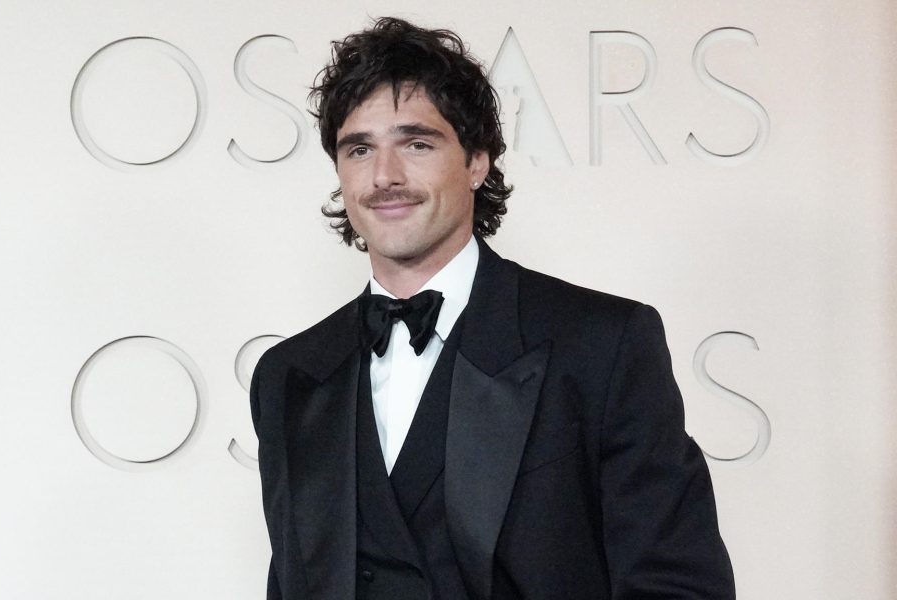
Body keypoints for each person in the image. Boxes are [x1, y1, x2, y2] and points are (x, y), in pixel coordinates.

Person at [250, 17, 735, 600]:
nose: (385, 176)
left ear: (476, 161)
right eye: (360, 149)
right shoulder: (287, 376)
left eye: (417, 143)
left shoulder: (603, 344)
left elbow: (678, 585)